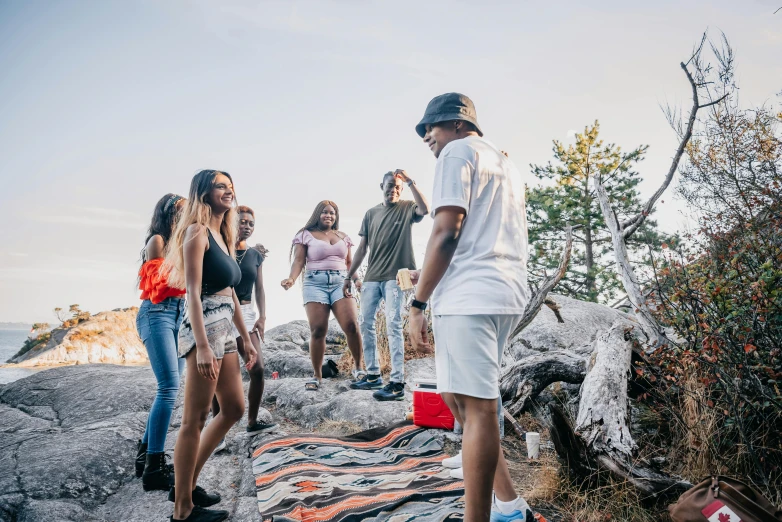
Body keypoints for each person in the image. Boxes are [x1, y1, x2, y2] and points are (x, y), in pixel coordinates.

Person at [406, 93, 533, 522]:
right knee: (457, 399)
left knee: (478, 409)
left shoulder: (458, 152)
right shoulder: (505, 163)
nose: (427, 136)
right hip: (500, 291)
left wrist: (417, 302)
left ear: (460, 124)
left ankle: (478, 517)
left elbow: (446, 231)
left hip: (472, 292)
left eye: (433, 127)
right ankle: (511, 503)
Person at [163, 170, 258, 522]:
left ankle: (184, 485)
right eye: (221, 186)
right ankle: (182, 510)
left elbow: (231, 292)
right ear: (203, 193)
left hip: (225, 331)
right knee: (195, 418)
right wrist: (201, 346)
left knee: (233, 408)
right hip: (202, 328)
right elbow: (191, 293)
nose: (229, 191)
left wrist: (246, 338)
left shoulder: (223, 234)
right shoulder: (196, 232)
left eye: (231, 186)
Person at [344, 170, 430, 401]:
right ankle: (372, 375)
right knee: (365, 323)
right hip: (372, 276)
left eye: (398, 187)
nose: (394, 189)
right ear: (381, 185)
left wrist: (411, 182)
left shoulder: (407, 206)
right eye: (390, 185)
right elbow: (362, 249)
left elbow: (425, 209)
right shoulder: (371, 213)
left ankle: (397, 382)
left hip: (397, 276)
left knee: (392, 323)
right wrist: (348, 277)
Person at [211, 206, 276, 454]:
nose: (246, 226)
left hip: (247, 313)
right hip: (222, 311)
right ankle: (218, 433)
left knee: (257, 367)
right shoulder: (221, 249)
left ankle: (252, 421)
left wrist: (262, 316)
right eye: (242, 221)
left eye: (250, 223)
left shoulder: (255, 255)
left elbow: (260, 288)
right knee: (219, 373)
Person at [281, 200, 364, 391]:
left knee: (351, 325)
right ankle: (317, 375)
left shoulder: (343, 236)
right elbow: (298, 261)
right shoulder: (305, 235)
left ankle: (358, 368)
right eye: (325, 212)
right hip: (314, 283)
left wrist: (357, 279)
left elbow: (350, 262)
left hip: (341, 282)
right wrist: (292, 279)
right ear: (317, 214)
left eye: (332, 213)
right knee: (318, 330)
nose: (329, 215)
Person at [135, 193, 187, 492]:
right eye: (179, 211)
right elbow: (159, 286)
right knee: (168, 388)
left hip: (180, 315)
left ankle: (144, 455)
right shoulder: (157, 241)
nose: (184, 216)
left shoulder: (183, 243)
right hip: (158, 313)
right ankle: (154, 466)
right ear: (167, 214)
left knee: (173, 384)